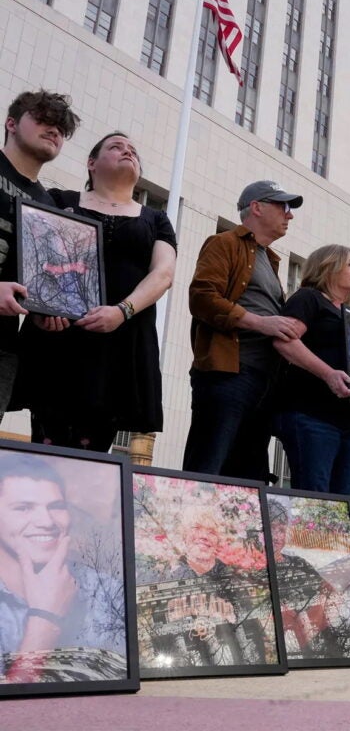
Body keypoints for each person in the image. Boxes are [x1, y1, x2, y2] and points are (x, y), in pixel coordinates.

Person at [16, 132, 176, 452]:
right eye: (116, 147)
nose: (127, 151)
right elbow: (34, 256)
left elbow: (163, 274)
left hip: (120, 344)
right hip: (60, 339)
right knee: (48, 445)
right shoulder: (60, 200)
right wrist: (41, 309)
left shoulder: (155, 219)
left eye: (132, 150)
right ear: (91, 163)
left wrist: (122, 311)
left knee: (93, 453)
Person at [183, 180, 303, 480]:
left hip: (264, 382)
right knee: (207, 469)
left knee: (247, 479)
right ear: (256, 207)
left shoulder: (270, 260)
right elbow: (202, 297)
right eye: (283, 206)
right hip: (229, 374)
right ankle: (191, 525)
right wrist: (262, 323)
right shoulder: (225, 243)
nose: (290, 215)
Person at [0, 455, 125, 681]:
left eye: (56, 507)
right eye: (23, 508)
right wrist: (45, 619)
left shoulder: (108, 591)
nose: (46, 521)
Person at [0, 90, 79, 422]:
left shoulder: (47, 207)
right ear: (11, 123)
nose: (54, 130)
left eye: (61, 128)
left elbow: (35, 281)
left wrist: (44, 312)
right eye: (44, 119)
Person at [273, 245, 350, 495]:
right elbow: (285, 340)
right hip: (312, 415)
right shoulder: (308, 298)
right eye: (349, 264)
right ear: (327, 267)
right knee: (314, 502)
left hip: (348, 423)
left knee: (340, 505)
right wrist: (328, 373)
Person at [140, 504, 275, 668]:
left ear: (218, 540)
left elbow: (253, 636)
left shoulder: (233, 579)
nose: (204, 536)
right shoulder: (167, 579)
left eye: (211, 532)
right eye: (196, 528)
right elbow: (157, 637)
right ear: (184, 535)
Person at [267, 499, 339, 658]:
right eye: (271, 528)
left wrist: (327, 599)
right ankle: (313, 658)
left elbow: (324, 584)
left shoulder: (297, 562)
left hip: (309, 615)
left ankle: (334, 654)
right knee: (300, 616)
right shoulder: (258, 565)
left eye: (281, 530)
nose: (277, 536)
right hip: (281, 615)